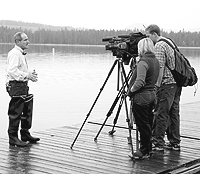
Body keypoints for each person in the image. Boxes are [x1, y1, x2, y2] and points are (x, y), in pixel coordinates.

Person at [145, 24, 182, 151]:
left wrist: (156, 87)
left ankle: (158, 143)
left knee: (161, 113)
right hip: (176, 84)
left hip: (166, 84)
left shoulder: (159, 45)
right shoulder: (168, 41)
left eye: (148, 36)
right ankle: (175, 142)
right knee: (174, 113)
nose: (148, 39)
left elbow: (159, 69)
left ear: (154, 34)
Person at [6, 32, 40, 147]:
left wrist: (30, 74)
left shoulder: (20, 54)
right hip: (16, 86)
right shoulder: (15, 54)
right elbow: (12, 71)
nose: (28, 41)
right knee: (15, 113)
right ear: (18, 42)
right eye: (25, 40)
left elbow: (20, 70)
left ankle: (25, 134)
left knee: (27, 109)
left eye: (27, 39)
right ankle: (13, 138)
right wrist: (27, 76)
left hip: (21, 86)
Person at [127, 38, 159, 159]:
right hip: (151, 95)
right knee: (148, 123)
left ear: (142, 48)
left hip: (141, 97)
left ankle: (143, 151)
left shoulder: (143, 62)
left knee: (142, 125)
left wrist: (131, 90)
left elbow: (140, 81)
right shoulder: (155, 60)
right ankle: (148, 148)